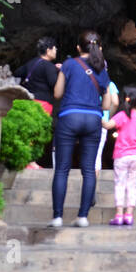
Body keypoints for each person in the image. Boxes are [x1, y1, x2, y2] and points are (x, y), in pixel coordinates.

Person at [49, 30, 111, 228]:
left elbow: (57, 93)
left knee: (62, 169)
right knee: (89, 170)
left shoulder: (69, 64)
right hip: (93, 119)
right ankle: (83, 216)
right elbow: (107, 105)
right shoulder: (102, 69)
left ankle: (58, 217)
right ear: (98, 47)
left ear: (78, 48)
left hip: (69, 117)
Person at [103, 86, 136, 226]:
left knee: (120, 184)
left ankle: (119, 214)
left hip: (121, 156)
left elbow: (108, 125)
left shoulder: (122, 115)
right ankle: (129, 215)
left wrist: (98, 115)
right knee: (132, 185)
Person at [16, 37, 59, 169]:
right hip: (42, 103)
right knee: (37, 132)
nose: (56, 50)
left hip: (29, 101)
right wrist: (60, 72)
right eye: (54, 48)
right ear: (48, 50)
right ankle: (30, 162)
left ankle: (26, 160)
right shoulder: (49, 67)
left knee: (28, 131)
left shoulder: (31, 63)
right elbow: (54, 84)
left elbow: (17, 73)